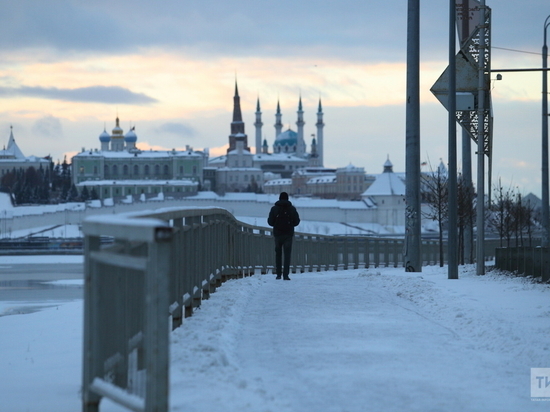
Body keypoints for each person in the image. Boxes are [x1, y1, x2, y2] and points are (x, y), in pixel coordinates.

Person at [267, 192, 300, 280]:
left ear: (279, 198)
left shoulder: (274, 208)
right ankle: (285, 275)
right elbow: (297, 221)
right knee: (287, 254)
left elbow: (270, 222)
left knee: (278, 254)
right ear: (288, 198)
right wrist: (290, 224)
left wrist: (276, 224)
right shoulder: (292, 209)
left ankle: (278, 274)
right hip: (288, 234)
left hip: (277, 234)